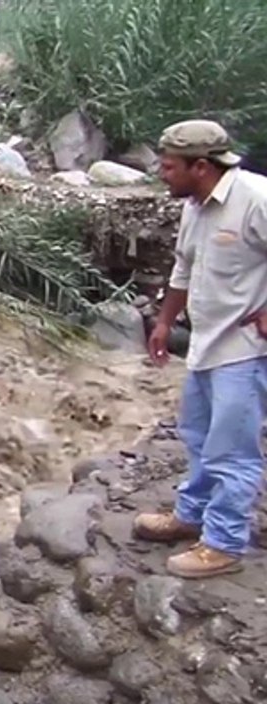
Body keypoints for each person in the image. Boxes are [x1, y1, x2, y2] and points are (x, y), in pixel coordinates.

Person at [134, 119, 267, 579]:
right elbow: (183, 271)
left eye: (169, 167)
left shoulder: (256, 199)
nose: (162, 174)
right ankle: (192, 515)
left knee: (232, 451)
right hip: (206, 344)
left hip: (246, 350)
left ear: (202, 166)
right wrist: (165, 321)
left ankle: (224, 544)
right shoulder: (194, 204)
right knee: (197, 435)